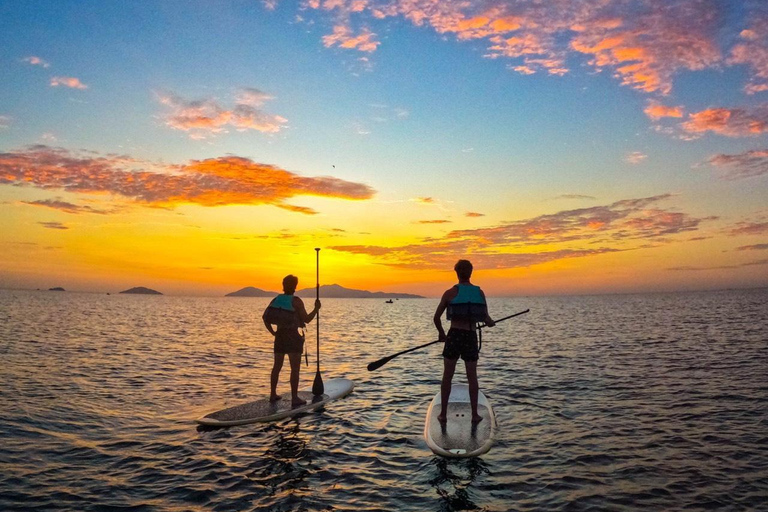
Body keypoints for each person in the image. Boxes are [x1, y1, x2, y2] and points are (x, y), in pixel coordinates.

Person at [433, 260, 494, 424]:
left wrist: (441, 334)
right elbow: (485, 317)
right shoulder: (479, 293)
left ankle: (443, 414)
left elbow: (436, 318)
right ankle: (475, 415)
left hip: (454, 336)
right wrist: (490, 322)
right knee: (472, 377)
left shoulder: (449, 293)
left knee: (447, 376)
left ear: (456, 273)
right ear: (471, 272)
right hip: (470, 336)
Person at [263, 275, 320, 406]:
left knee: (277, 366)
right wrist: (316, 309)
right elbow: (306, 319)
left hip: (280, 337)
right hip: (293, 337)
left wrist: (273, 333)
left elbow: (265, 318)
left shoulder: (276, 299)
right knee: (295, 369)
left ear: (283, 285)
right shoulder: (296, 301)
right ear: (295, 286)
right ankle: (294, 398)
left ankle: (273, 394)